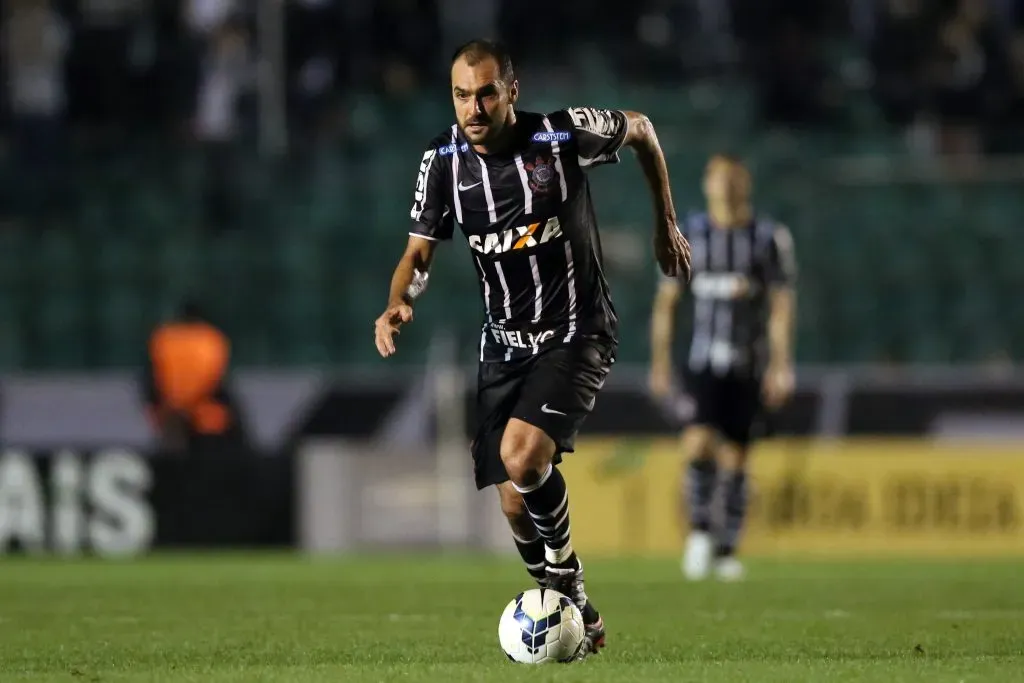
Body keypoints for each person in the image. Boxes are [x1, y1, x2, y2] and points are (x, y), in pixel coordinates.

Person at [374, 39, 690, 658]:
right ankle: (574, 600)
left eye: (487, 92)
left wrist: (665, 223)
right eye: (463, 94)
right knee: (516, 503)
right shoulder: (441, 162)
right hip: (503, 346)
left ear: (512, 90)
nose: (475, 106)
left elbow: (643, 130)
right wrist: (399, 299)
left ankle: (565, 581)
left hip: (577, 331)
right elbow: (418, 253)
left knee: (523, 457)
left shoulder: (561, 136)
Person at [648, 154, 796, 582]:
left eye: (733, 179)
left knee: (736, 456)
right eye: (718, 179)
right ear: (707, 184)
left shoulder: (768, 238)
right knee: (696, 443)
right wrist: (660, 362)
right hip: (702, 360)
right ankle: (698, 533)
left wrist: (782, 366)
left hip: (748, 364)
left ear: (745, 184)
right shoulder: (690, 233)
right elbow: (668, 303)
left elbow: (781, 305)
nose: (726, 187)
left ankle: (727, 550)